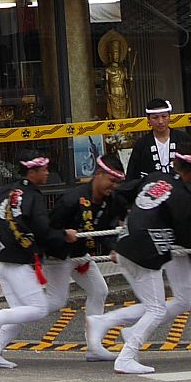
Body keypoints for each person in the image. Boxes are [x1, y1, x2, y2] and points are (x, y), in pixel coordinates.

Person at [85, 145, 191, 374]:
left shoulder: (154, 178)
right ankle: (126, 356)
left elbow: (120, 193)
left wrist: (123, 220)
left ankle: (110, 324)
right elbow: (189, 237)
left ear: (175, 163)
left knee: (155, 306)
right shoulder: (181, 194)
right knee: (156, 309)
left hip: (126, 244)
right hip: (145, 252)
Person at [0, 152, 75, 369]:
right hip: (16, 263)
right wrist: (64, 236)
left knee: (19, 313)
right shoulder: (33, 197)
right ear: (32, 172)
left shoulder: (7, 190)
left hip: (1, 261)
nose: (47, 173)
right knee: (37, 309)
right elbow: (43, 231)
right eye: (44, 170)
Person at [45, 154, 127, 361]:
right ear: (98, 174)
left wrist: (114, 248)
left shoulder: (111, 200)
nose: (114, 186)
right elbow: (47, 229)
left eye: (117, 182)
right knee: (55, 301)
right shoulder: (71, 199)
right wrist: (63, 235)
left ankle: (93, 346)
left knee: (99, 290)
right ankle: (6, 322)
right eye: (112, 180)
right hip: (58, 257)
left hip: (81, 255)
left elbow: (108, 229)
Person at [125, 99, 188, 180]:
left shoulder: (183, 138)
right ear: (148, 119)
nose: (160, 121)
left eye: (164, 116)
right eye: (155, 117)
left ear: (169, 117)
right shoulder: (141, 144)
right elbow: (132, 174)